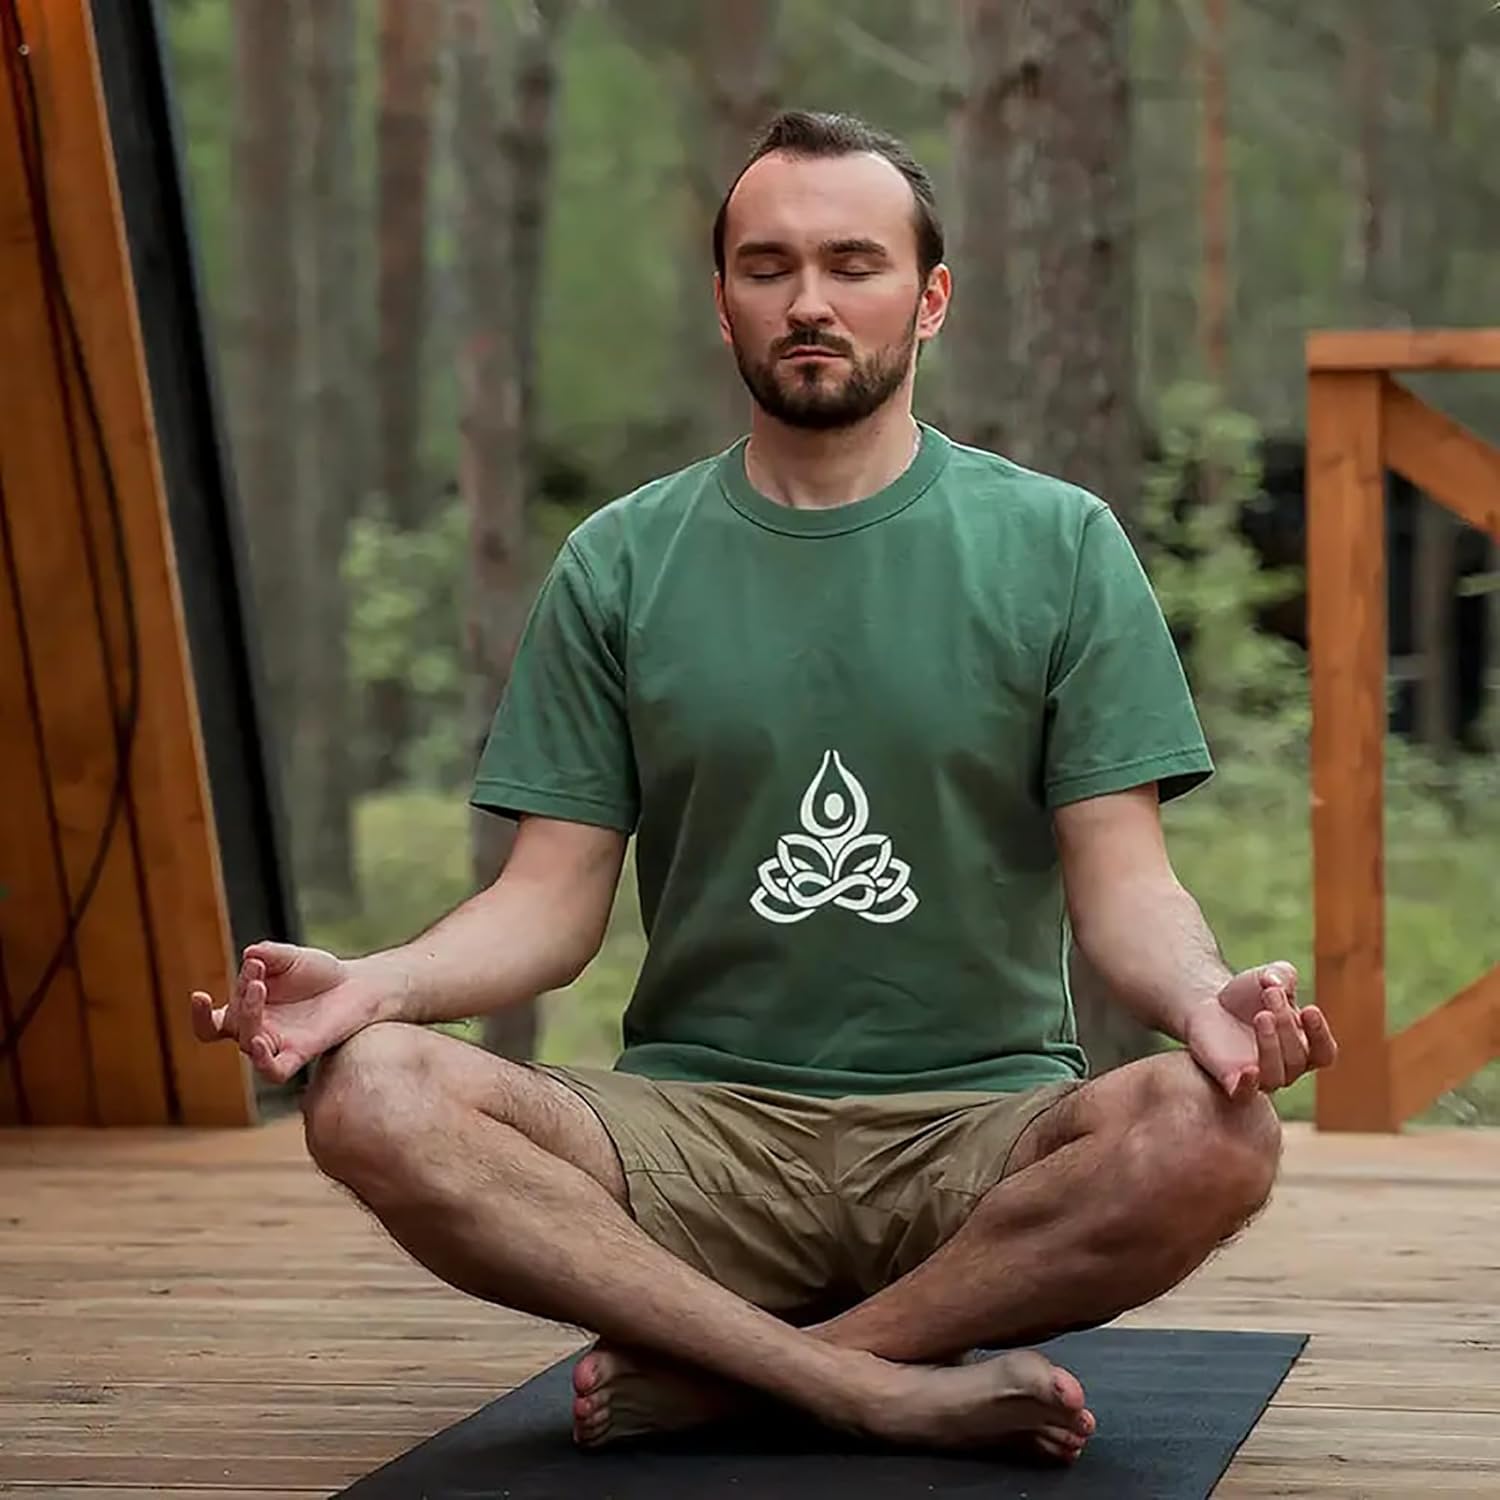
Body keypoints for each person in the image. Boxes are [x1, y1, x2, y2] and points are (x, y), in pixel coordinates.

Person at [191, 110, 1338, 1465]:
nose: (808, 301)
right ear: (721, 300)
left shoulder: (1059, 546)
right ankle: (874, 1390)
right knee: (372, 1093)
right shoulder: (621, 561)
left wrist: (1208, 1001)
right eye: (766, 264)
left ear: (931, 300)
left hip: (978, 1138)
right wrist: (375, 983)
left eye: (853, 263)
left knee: (1218, 1135)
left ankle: (768, 1374)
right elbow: (549, 908)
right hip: (694, 1140)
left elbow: (1126, 886)